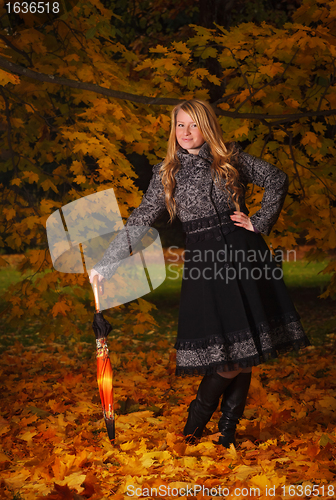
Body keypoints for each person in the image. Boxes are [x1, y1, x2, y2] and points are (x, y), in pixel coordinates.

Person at [89, 99, 310, 448]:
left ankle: (222, 431)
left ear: (207, 126)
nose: (187, 133)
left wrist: (260, 221)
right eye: (180, 126)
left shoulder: (230, 158)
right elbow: (141, 220)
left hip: (242, 252)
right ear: (172, 129)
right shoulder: (167, 172)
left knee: (242, 345)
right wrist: (107, 263)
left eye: (194, 125)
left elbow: (276, 178)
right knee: (233, 347)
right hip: (205, 262)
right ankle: (202, 425)